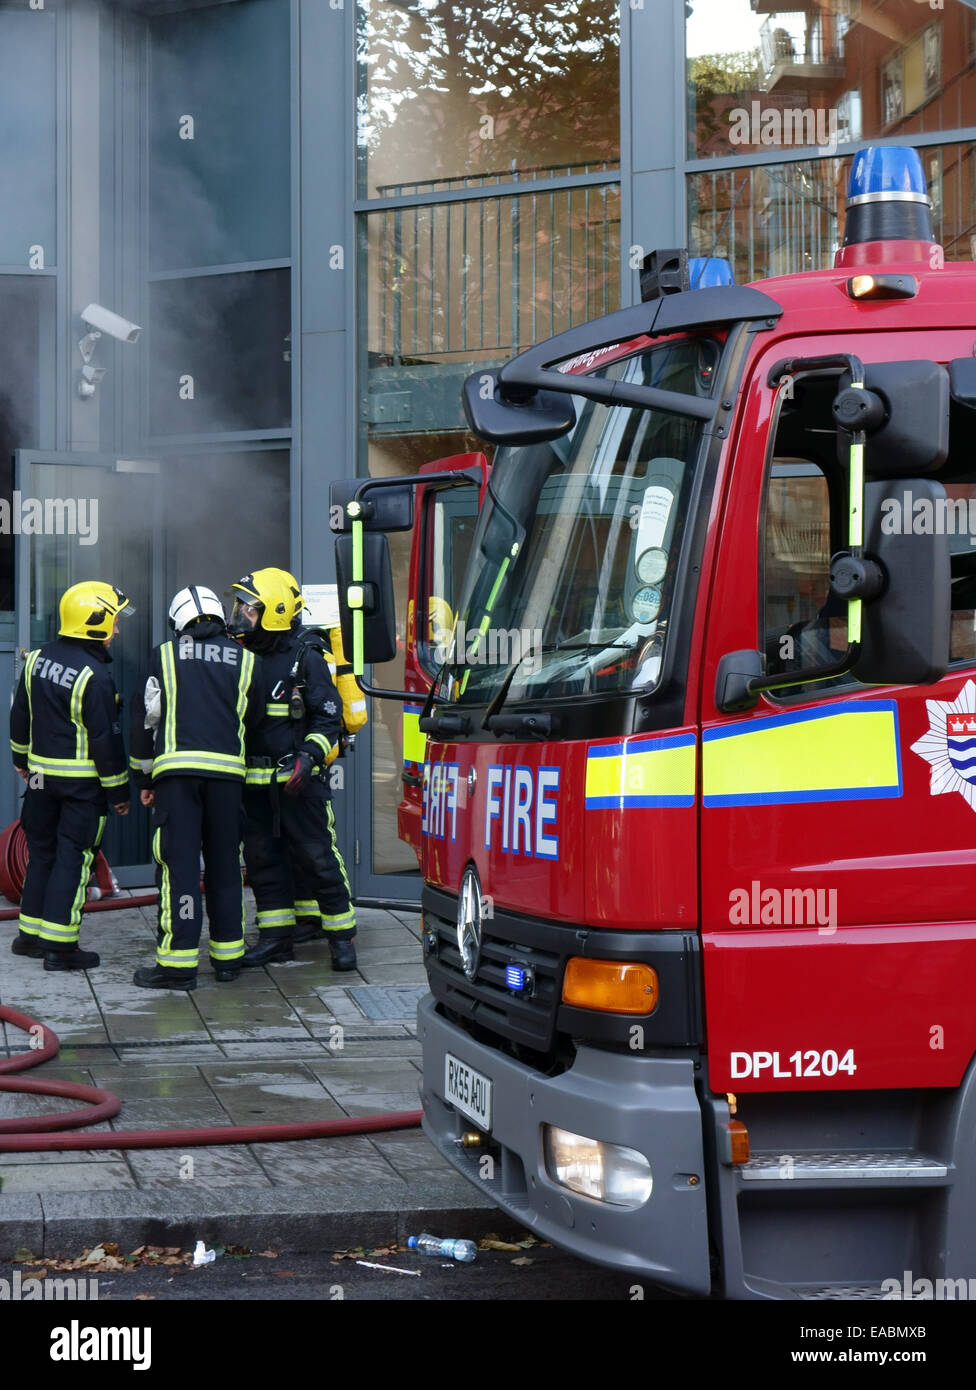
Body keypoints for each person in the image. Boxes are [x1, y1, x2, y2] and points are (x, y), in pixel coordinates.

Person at [129, 585, 262, 990]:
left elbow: (145, 720)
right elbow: (252, 719)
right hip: (227, 781)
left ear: (179, 622)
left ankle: (178, 965)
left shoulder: (164, 656)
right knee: (225, 867)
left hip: (177, 778)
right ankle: (228, 958)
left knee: (180, 867)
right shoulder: (247, 660)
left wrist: (144, 778)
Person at [227, 568, 357, 971]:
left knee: (318, 858)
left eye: (249, 610)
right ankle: (276, 940)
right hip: (256, 784)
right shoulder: (241, 657)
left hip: (300, 784)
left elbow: (329, 718)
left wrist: (309, 758)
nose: (240, 616)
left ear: (276, 613)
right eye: (240, 608)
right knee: (264, 863)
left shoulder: (307, 658)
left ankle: (341, 939)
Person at [9, 581, 132, 971]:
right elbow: (105, 742)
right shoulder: (94, 677)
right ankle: (60, 948)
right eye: (113, 622)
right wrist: (119, 793)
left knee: (42, 854)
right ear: (94, 623)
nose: (117, 631)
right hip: (81, 786)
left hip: (41, 781)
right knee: (73, 859)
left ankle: (29, 936)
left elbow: (20, 716)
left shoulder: (36, 659)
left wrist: (21, 760)